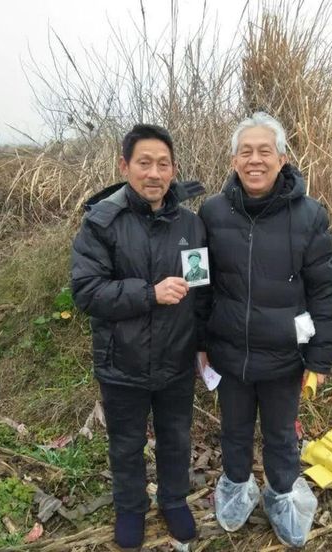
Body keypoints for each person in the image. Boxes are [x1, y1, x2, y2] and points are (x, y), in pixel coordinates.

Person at [198, 112, 332, 547]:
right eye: (246, 152)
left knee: (280, 435)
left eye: (264, 151)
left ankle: (281, 495)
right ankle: (237, 487)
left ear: (282, 158)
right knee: (234, 431)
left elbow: (324, 291)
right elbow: (202, 286)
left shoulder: (309, 215)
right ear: (233, 159)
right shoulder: (212, 212)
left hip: (283, 357)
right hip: (230, 356)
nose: (254, 160)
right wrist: (200, 344)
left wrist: (320, 357)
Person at [71, 124, 209, 550]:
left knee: (176, 437)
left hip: (176, 359)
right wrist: (150, 294)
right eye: (144, 163)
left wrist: (202, 344)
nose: (154, 173)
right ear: (125, 166)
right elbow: (87, 292)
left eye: (163, 164)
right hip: (122, 360)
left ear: (173, 169)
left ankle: (173, 500)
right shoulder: (102, 223)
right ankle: (130, 507)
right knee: (127, 443)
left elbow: (199, 290)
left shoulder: (190, 223)